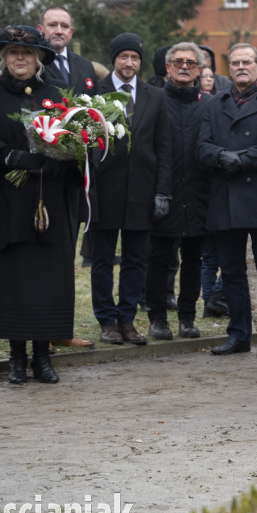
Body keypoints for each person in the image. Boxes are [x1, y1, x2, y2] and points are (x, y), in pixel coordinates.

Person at [0, 26, 83, 384]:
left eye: (28, 53)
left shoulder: (57, 95)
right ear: (3, 58)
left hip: (51, 202)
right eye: (13, 53)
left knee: (49, 278)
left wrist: (60, 159)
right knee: (14, 278)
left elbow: (79, 141)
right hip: (8, 203)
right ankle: (17, 356)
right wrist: (14, 157)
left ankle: (42, 356)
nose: (21, 58)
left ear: (39, 59)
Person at [199, 43, 257, 358]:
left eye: (247, 62)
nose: (241, 67)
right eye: (235, 62)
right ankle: (238, 334)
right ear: (229, 67)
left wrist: (242, 159)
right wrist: (221, 156)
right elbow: (201, 147)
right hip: (225, 198)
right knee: (231, 271)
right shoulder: (214, 104)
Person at [89, 33, 172, 346]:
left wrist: (162, 191)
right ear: (114, 60)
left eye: (134, 58)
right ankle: (106, 320)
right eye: (123, 57)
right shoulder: (95, 94)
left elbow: (164, 148)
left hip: (142, 190)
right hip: (104, 192)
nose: (129, 63)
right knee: (102, 259)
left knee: (136, 259)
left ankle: (126, 320)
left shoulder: (155, 96)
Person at [146, 43, 211, 341]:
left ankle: (187, 317)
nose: (184, 67)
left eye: (190, 63)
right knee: (159, 258)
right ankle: (157, 317)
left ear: (199, 69)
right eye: (178, 62)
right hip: (164, 193)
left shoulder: (209, 104)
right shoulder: (154, 100)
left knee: (193, 259)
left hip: (198, 194)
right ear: (168, 67)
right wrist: (157, 191)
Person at [38, 6, 98, 94]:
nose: (59, 31)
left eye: (64, 26)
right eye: (52, 25)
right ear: (40, 30)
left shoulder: (86, 66)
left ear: (71, 33)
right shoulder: (33, 64)